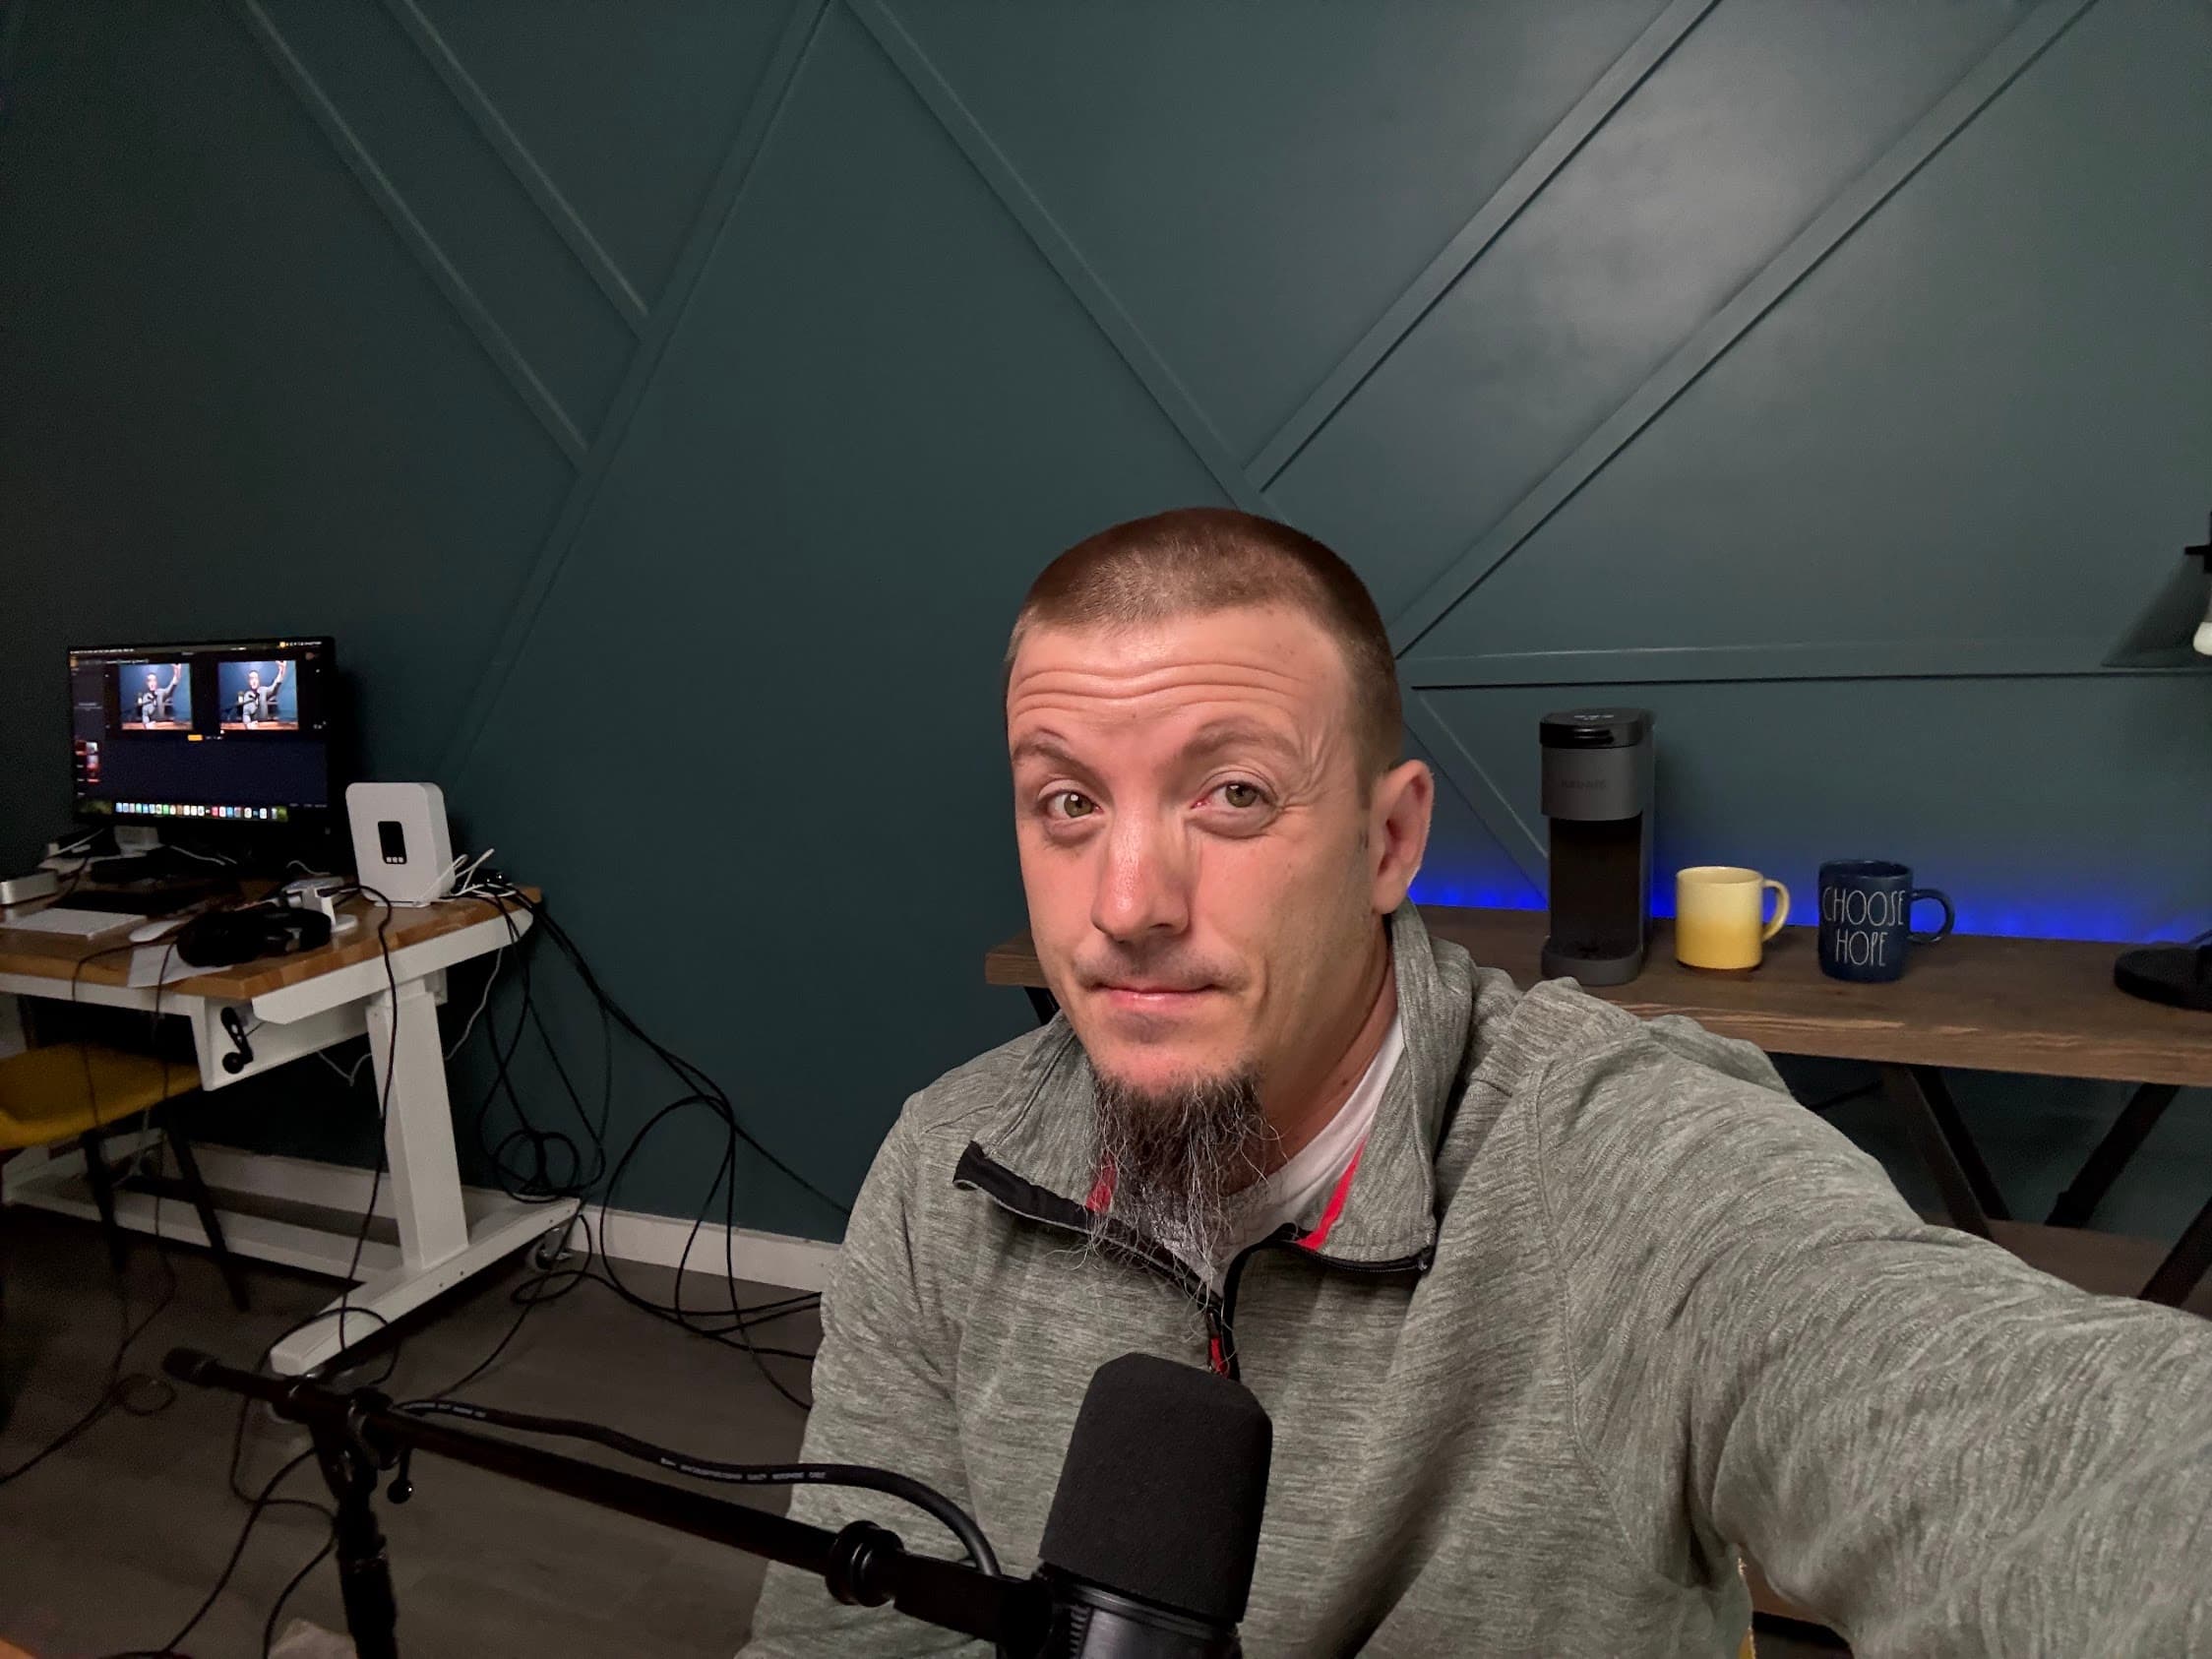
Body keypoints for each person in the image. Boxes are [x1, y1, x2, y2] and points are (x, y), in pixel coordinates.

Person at [742, 508, 2212, 1657]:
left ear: (1389, 842)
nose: (1126, 900)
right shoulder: (949, 1166)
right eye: (1068, 799)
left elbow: (1997, 1422)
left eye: (1234, 793)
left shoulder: (1617, 1162)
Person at [234, 660, 286, 726]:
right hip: (254, 726)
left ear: (259, 681)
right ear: (249, 682)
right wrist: (248, 725)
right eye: (251, 679)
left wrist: (281, 672)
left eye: (256, 678)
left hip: (265, 726)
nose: (254, 681)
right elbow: (246, 714)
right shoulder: (247, 695)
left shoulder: (263, 690)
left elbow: (275, 687)